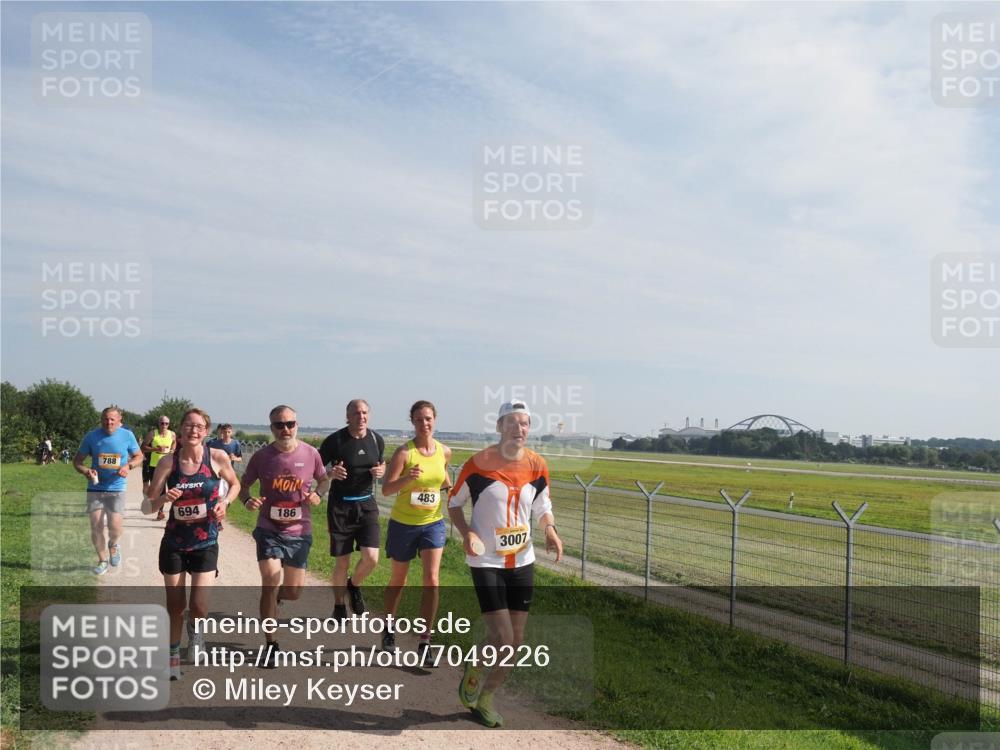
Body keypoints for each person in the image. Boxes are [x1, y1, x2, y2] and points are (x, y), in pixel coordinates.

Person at [448, 400, 563, 728]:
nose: (519, 429)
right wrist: (467, 533)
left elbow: (542, 506)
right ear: (499, 427)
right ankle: (475, 670)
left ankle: (485, 698)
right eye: (512, 422)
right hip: (485, 560)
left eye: (524, 423)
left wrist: (550, 530)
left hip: (522, 561)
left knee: (515, 641)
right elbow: (454, 503)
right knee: (502, 635)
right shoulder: (478, 464)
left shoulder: (537, 465)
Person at [146, 408, 240, 680]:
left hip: (206, 541)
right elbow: (147, 505)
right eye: (188, 425)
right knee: (175, 606)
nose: (193, 430)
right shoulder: (168, 462)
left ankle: (196, 631)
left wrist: (225, 502)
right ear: (180, 429)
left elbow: (235, 485)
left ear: (206, 431)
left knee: (198, 606)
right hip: (174, 542)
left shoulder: (217, 457)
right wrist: (163, 500)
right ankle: (173, 657)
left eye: (199, 426)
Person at [239, 405, 329, 666]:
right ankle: (271, 644)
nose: (285, 429)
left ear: (296, 425)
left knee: (294, 591)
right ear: (272, 428)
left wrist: (318, 494)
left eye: (290, 424)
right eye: (279, 425)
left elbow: (324, 480)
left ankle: (278, 596)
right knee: (270, 579)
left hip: (299, 531)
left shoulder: (311, 454)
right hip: (269, 529)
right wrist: (247, 501)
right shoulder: (261, 457)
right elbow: (243, 486)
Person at [379, 401, 452, 663]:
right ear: (412, 421)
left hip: (433, 523)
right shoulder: (404, 453)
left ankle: (425, 641)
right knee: (399, 579)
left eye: (428, 418)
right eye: (419, 419)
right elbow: (386, 489)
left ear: (435, 420)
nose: (424, 424)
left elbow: (443, 480)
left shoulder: (444, 452)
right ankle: (388, 627)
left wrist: (453, 492)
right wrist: (408, 478)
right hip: (403, 524)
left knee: (432, 579)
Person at [318, 399, 385, 621]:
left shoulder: (376, 439)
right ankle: (339, 605)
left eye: (364, 412)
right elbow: (316, 469)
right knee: (342, 562)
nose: (361, 417)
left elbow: (381, 464)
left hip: (367, 504)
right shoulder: (335, 440)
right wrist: (331, 474)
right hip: (340, 506)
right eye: (356, 413)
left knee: (372, 558)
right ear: (347, 416)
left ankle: (353, 585)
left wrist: (381, 471)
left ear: (369, 415)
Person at [74, 407, 144, 575]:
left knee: (115, 527)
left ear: (119, 420)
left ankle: (113, 544)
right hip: (95, 487)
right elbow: (77, 461)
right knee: (96, 526)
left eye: (112, 419)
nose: (109, 422)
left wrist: (128, 466)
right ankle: (102, 560)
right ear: (101, 420)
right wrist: (86, 471)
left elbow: (139, 456)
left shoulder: (127, 435)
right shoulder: (91, 436)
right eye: (106, 419)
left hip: (116, 487)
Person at [141, 416, 177, 520]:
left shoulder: (172, 434)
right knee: (158, 489)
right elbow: (143, 447)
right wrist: (155, 449)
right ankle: (156, 507)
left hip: (168, 466)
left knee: (170, 488)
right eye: (162, 423)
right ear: (158, 424)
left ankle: (162, 512)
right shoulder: (152, 434)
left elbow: (174, 443)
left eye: (166, 423)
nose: (164, 425)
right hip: (154, 465)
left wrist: (172, 450)